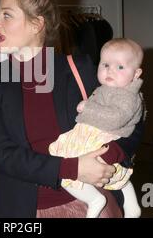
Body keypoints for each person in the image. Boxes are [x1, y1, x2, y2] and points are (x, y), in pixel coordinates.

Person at [0, 0, 144, 218]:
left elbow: (133, 116)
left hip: (90, 207)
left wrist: (109, 156)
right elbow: (0, 153)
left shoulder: (80, 68)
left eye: (6, 15)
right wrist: (72, 169)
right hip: (24, 210)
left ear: (36, 24)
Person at [49, 38, 144, 218]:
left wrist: (88, 107)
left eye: (120, 67)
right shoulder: (107, 88)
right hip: (93, 133)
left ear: (136, 73)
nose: (110, 70)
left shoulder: (127, 95)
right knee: (112, 175)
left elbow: (116, 118)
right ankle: (132, 204)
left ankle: (94, 199)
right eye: (105, 64)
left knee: (67, 167)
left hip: (103, 136)